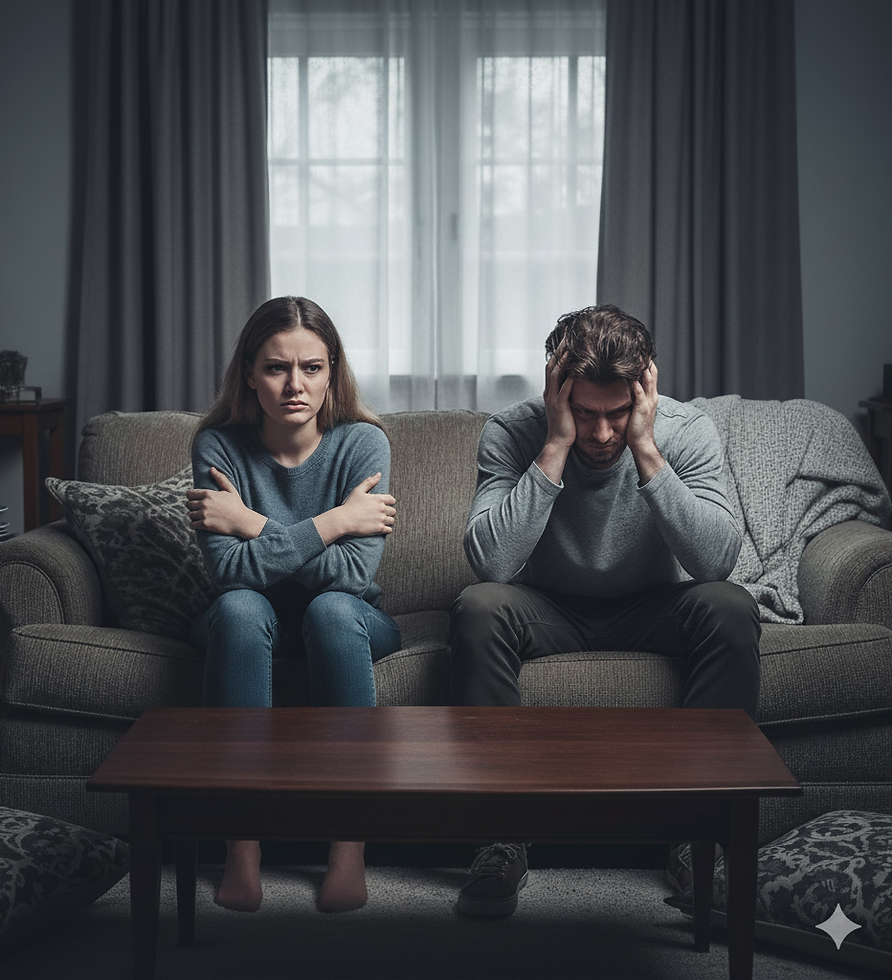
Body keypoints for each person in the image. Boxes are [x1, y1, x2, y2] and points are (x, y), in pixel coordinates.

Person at [449, 304, 760, 917]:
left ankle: (698, 841)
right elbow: (491, 561)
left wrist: (645, 447)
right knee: (478, 607)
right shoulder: (513, 431)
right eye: (583, 414)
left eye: (616, 414)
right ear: (556, 390)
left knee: (729, 606)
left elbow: (716, 560)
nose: (599, 433)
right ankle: (501, 838)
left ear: (644, 388)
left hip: (654, 605)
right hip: (548, 607)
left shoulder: (684, 430)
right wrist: (555, 444)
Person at [186, 295, 400, 914]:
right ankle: (242, 848)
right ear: (250, 373)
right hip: (244, 622)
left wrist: (248, 522)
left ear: (332, 371)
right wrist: (336, 521)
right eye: (277, 368)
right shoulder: (217, 446)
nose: (294, 385)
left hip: (348, 620)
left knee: (330, 610)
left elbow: (353, 577)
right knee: (241, 608)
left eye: (311, 367)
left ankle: (348, 846)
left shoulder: (363, 444)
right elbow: (229, 574)